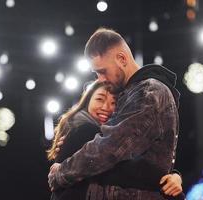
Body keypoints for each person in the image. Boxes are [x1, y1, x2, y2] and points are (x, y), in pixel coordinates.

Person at [48, 28, 182, 200]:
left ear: (122, 58)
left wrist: (61, 172)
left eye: (102, 71)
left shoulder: (148, 92)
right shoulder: (135, 93)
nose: (100, 79)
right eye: (96, 73)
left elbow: (110, 148)